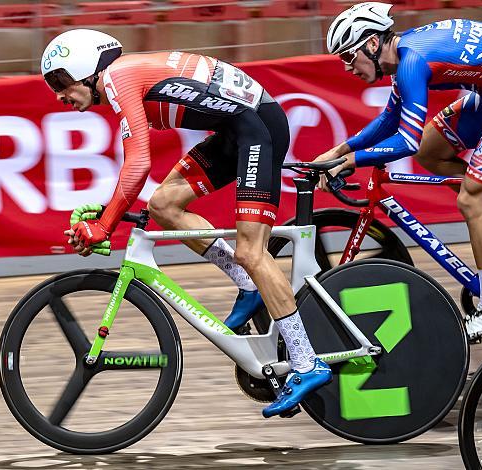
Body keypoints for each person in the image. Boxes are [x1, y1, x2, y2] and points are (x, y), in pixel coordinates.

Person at [41, 29, 331, 417]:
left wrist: (106, 225)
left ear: (86, 68)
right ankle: (248, 285)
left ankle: (307, 362)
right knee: (164, 205)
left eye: (60, 81)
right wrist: (107, 221)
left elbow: (138, 164)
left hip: (256, 129)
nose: (59, 95)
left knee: (251, 251)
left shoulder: (117, 77)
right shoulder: (120, 77)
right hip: (237, 129)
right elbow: (140, 168)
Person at [318, 2, 482, 341]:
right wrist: (340, 149)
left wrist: (351, 162)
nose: (348, 67)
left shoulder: (411, 62)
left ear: (372, 44)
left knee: (471, 201)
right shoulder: (403, 56)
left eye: (349, 56)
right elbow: (389, 120)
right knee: (430, 151)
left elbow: (405, 139)